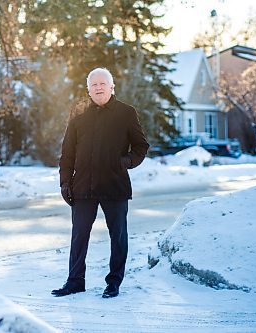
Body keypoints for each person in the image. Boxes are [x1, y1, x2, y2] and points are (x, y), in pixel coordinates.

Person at [52, 68, 149, 298]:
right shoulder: (78, 113)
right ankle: (75, 281)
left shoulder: (126, 113)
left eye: (102, 83)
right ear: (88, 89)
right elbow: (67, 152)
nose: (98, 87)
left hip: (115, 186)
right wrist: (65, 182)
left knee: (118, 236)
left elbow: (141, 146)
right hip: (83, 186)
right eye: (93, 84)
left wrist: (125, 161)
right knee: (79, 236)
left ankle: (114, 282)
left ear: (111, 87)